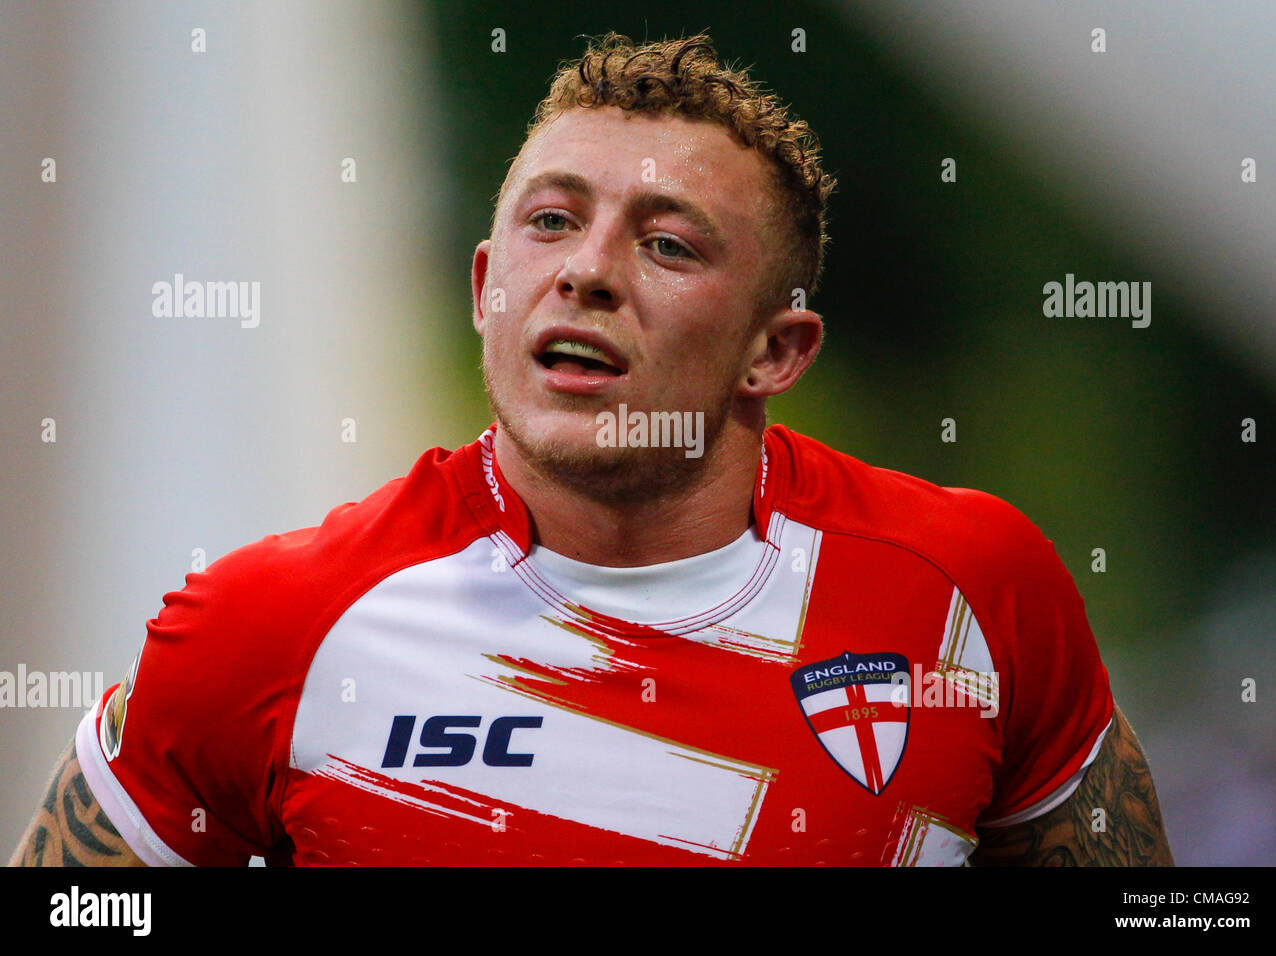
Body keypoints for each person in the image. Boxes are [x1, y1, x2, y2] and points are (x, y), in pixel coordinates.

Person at [11, 32, 1172, 867]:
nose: (587, 269)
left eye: (666, 243)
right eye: (551, 220)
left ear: (776, 350)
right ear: (486, 287)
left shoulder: (973, 580)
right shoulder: (267, 622)